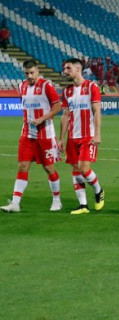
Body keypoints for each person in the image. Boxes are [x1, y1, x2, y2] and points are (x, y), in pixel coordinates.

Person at [2, 60, 62, 213]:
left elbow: (57, 106)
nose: (29, 76)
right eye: (26, 73)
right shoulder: (22, 86)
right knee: (22, 166)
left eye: (32, 73)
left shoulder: (46, 86)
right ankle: (15, 203)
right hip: (27, 135)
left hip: (45, 135)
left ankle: (57, 200)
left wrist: (42, 119)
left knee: (48, 168)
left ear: (37, 71)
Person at [59, 57, 104, 215]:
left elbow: (97, 111)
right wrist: (61, 138)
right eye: (64, 68)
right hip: (72, 137)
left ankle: (98, 190)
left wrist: (97, 134)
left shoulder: (91, 87)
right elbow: (65, 115)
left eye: (68, 68)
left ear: (78, 69)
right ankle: (83, 205)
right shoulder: (67, 91)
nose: (65, 71)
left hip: (88, 136)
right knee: (75, 169)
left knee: (84, 169)